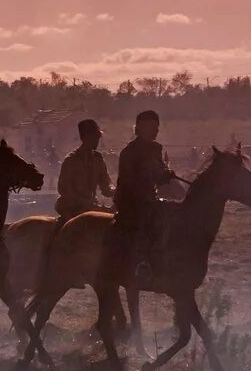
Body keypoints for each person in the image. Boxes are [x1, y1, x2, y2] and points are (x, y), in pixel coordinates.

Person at [112, 110, 177, 280]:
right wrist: (149, 178)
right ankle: (141, 261)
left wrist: (166, 175)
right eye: (152, 127)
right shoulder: (128, 152)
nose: (156, 131)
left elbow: (160, 173)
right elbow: (127, 181)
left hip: (150, 198)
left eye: (157, 127)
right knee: (145, 218)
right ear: (140, 128)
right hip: (130, 200)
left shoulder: (156, 149)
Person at [55, 118, 113, 220]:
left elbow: (106, 184)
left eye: (98, 137)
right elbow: (64, 189)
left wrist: (115, 192)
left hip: (91, 206)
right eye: (94, 137)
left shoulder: (98, 159)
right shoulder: (71, 160)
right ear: (84, 138)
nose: (97, 141)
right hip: (72, 208)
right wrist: (84, 202)